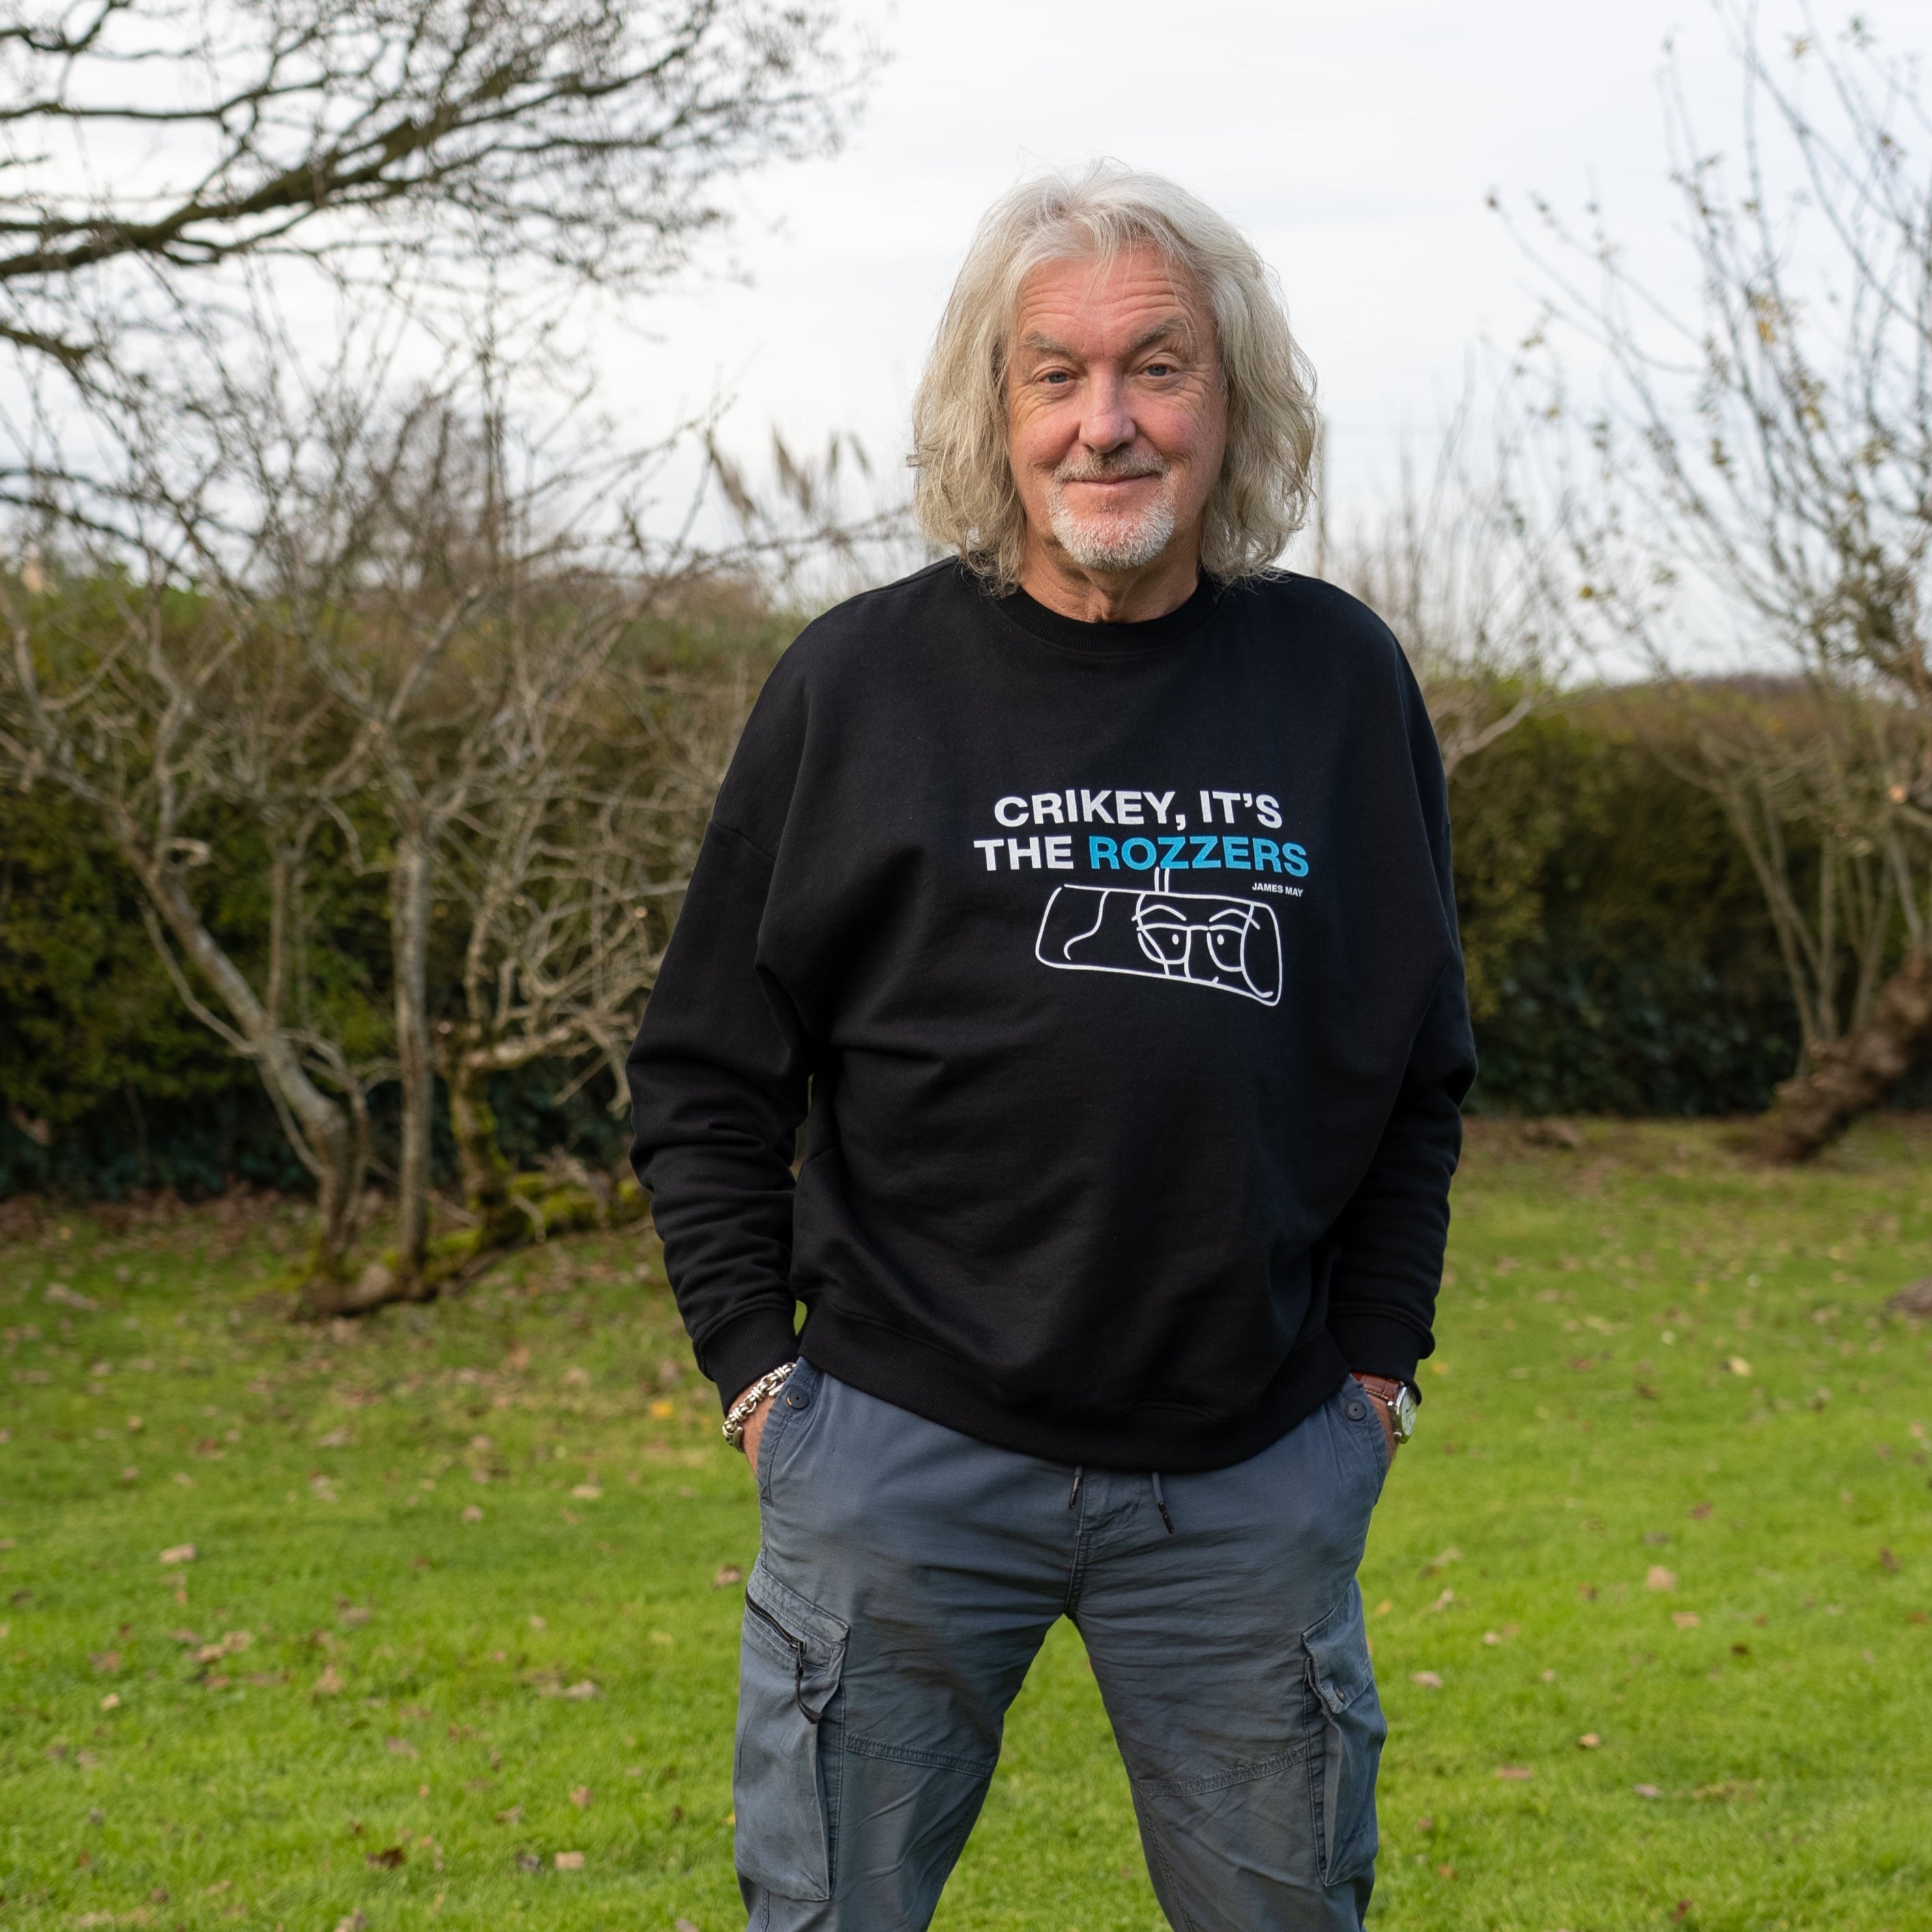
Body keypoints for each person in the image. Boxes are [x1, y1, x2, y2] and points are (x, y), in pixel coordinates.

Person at [628, 160, 1474, 1932]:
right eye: (1056, 374)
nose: (1109, 424)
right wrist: (759, 1379)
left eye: (1158, 368)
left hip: (1250, 1474)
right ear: (990, 410)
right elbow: (708, 1072)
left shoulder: (1338, 683)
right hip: (901, 1457)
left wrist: (1375, 1377)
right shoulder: (856, 688)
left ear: (1231, 406)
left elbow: (1419, 1069)